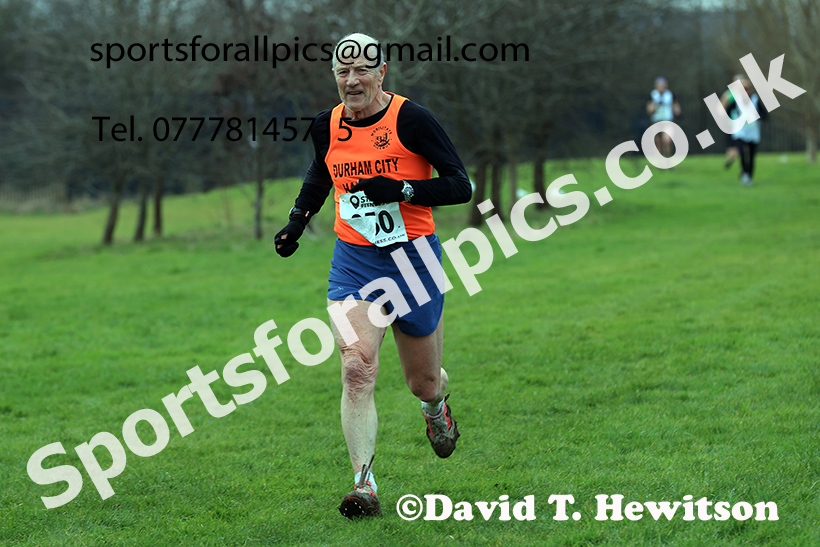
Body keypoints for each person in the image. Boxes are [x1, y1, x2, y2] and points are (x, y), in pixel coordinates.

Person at [274, 33, 471, 518]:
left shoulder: (412, 119)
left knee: (422, 381)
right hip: (354, 262)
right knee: (356, 366)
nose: (352, 80)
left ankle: (435, 408)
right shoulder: (327, 125)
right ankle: (364, 486)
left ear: (382, 71)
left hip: (414, 260)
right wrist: (297, 221)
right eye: (343, 72)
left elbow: (459, 185)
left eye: (362, 69)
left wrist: (401, 189)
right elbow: (321, 175)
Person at [721, 76, 768, 186]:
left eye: (747, 88)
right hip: (740, 131)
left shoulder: (755, 100)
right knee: (741, 152)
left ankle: (749, 175)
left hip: (753, 132)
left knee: (751, 155)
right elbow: (726, 111)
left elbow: (764, 115)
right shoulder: (735, 99)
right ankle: (744, 175)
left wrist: (755, 116)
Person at [646, 76, 681, 157]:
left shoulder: (670, 95)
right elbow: (649, 110)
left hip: (667, 121)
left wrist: (676, 111)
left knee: (667, 141)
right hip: (656, 122)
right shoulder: (652, 95)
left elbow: (676, 108)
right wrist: (655, 105)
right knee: (658, 144)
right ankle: (660, 162)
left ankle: (668, 158)